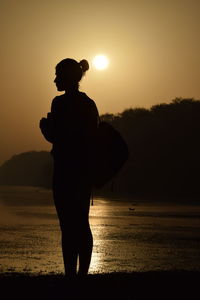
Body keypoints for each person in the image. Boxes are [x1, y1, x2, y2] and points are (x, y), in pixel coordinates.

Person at [40, 58, 99, 277]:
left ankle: (71, 275)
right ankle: (81, 275)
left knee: (68, 224)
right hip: (83, 171)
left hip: (66, 170)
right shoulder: (88, 103)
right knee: (82, 223)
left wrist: (45, 128)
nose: (55, 79)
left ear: (67, 77)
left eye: (58, 75)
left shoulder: (60, 103)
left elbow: (59, 137)